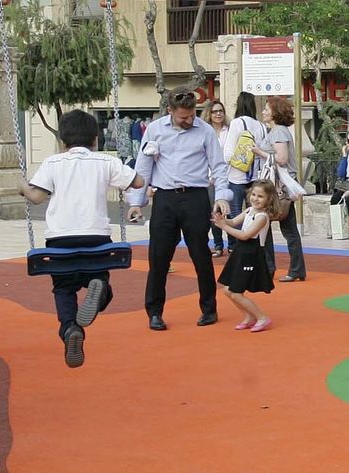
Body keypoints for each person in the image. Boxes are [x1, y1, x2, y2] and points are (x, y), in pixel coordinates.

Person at [23, 110, 146, 368]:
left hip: (60, 240)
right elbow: (138, 182)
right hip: (96, 238)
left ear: (62, 141)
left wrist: (22, 187)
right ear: (95, 140)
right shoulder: (104, 161)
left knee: (63, 288)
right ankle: (99, 290)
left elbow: (36, 197)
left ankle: (70, 329)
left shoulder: (53, 163)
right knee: (98, 274)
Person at [126, 88, 233, 332]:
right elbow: (143, 165)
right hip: (164, 198)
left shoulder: (204, 131)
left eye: (192, 115)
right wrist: (136, 202)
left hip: (195, 197)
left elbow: (218, 166)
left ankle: (209, 308)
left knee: (201, 256)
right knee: (159, 257)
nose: (188, 121)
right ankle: (154, 312)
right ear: (170, 111)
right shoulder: (154, 130)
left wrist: (222, 197)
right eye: (183, 117)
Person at [215, 178, 277, 332]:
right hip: (240, 252)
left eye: (260, 196)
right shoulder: (249, 211)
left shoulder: (262, 217)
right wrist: (223, 220)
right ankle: (249, 316)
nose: (255, 199)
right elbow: (234, 222)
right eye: (254, 194)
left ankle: (262, 317)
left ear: (269, 199)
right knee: (228, 290)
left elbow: (245, 235)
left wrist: (224, 227)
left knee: (236, 292)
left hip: (251, 254)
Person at [260, 96, 306, 283]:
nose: (263, 112)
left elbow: (281, 158)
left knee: (271, 226)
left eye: (266, 109)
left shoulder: (278, 132)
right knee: (287, 229)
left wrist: (258, 152)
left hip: (278, 187)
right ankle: (295, 269)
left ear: (275, 113)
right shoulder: (279, 131)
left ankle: (273, 267)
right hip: (281, 185)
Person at [222, 92, 268, 249]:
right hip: (255, 177)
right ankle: (252, 245)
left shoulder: (237, 123)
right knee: (255, 214)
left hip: (237, 176)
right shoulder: (262, 126)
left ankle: (236, 247)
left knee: (236, 213)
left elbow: (227, 154)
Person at [205, 100, 232, 257]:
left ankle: (232, 244)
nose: (218, 114)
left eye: (220, 110)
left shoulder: (229, 131)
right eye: (215, 111)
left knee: (230, 212)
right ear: (209, 113)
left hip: (229, 176)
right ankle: (218, 244)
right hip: (210, 179)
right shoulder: (206, 132)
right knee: (214, 212)